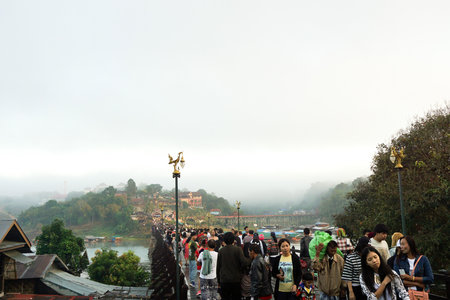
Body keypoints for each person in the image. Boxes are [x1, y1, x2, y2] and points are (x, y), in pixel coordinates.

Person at [217, 231, 250, 300]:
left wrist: (219, 281)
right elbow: (244, 262)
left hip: (224, 280)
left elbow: (218, 267)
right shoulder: (238, 249)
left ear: (224, 240)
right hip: (236, 280)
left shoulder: (221, 251)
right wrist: (251, 259)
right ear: (233, 240)